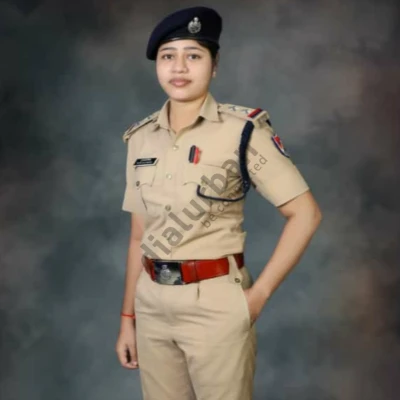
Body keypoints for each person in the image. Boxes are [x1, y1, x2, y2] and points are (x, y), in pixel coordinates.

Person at [115, 6, 322, 400]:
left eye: (193, 56)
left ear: (214, 66)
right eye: (168, 56)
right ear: (157, 65)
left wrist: (256, 298)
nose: (179, 67)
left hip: (215, 303)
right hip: (151, 304)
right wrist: (128, 318)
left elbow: (305, 214)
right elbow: (138, 237)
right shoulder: (141, 139)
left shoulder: (242, 132)